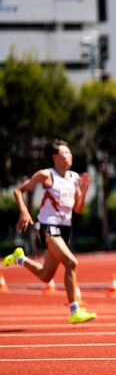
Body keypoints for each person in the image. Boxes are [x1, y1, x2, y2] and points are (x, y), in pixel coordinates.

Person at [3, 139, 97, 324]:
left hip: (65, 229)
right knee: (71, 262)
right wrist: (24, 210)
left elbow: (78, 209)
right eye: (65, 153)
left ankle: (19, 258)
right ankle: (74, 311)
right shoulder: (46, 175)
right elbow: (18, 190)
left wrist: (84, 191)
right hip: (49, 227)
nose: (69, 156)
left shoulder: (74, 178)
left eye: (70, 152)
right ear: (55, 157)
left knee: (45, 276)